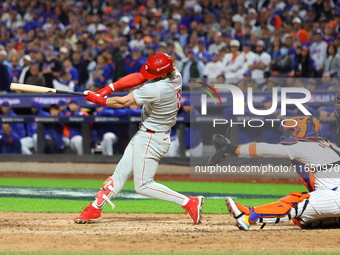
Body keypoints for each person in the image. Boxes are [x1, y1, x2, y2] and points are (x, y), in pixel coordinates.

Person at [74, 53, 204, 225]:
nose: (148, 76)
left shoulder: (157, 89)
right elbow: (140, 76)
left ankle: (189, 202)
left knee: (142, 185)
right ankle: (95, 208)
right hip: (147, 134)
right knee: (119, 175)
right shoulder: (175, 73)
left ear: (163, 74)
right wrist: (109, 88)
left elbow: (122, 102)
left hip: (152, 138)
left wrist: (98, 100)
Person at [209, 116, 340, 230]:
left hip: (336, 194)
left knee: (296, 201)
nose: (289, 135)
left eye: (292, 131)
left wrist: (233, 149)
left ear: (302, 131)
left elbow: (264, 149)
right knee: (302, 219)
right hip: (333, 194)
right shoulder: (329, 145)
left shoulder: (302, 145)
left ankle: (249, 215)